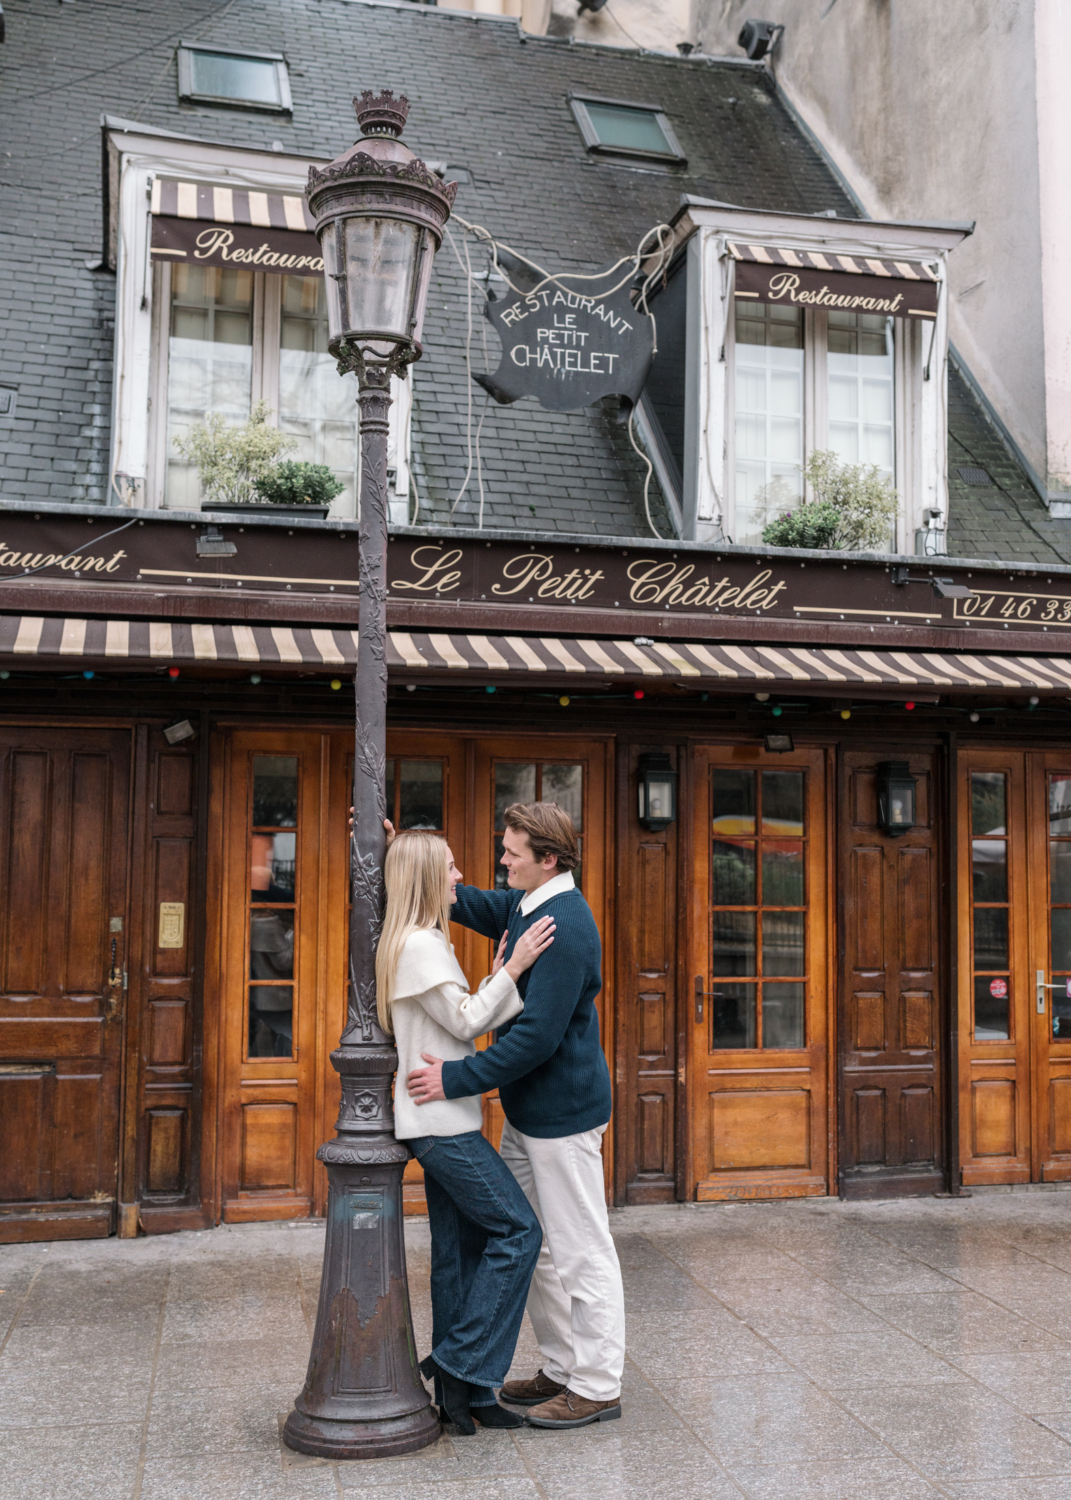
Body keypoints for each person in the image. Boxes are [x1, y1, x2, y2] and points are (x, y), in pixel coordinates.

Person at [407, 801, 625, 1430]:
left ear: (547, 859)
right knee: (541, 1251)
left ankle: (597, 1384)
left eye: (512, 852)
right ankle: (560, 1369)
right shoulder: (528, 906)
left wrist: (452, 1078)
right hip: (528, 1117)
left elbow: (535, 1040)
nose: (501, 859)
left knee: (582, 1250)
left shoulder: (566, 928)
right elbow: (469, 903)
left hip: (564, 1117)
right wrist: (404, 858)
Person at [378, 828, 553, 1434]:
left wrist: (500, 975)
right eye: (450, 868)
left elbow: (466, 1024)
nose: (460, 877)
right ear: (427, 877)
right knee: (519, 1232)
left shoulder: (420, 940)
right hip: (441, 1127)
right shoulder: (421, 946)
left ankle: (468, 1399)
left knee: (461, 1255)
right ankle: (457, 1363)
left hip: (441, 1121)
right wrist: (518, 964)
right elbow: (470, 1019)